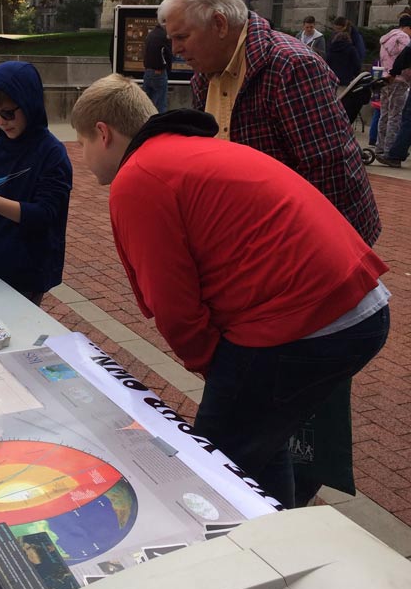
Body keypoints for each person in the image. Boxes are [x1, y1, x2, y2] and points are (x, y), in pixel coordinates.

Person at [70, 74, 390, 509]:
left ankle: (241, 557)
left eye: (83, 142)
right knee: (259, 437)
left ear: (103, 133)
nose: (83, 157)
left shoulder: (140, 177)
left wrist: (212, 368)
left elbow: (174, 304)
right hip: (354, 304)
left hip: (306, 322)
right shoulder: (193, 149)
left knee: (212, 474)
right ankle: (275, 531)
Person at [158, 0, 380, 248]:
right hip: (258, 237)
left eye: (181, 36)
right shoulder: (205, 72)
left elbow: (329, 171)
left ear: (220, 24)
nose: (175, 49)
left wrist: (312, 254)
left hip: (313, 246)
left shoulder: (291, 66)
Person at [0, 62, 72, 305]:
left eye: (8, 113)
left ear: (29, 103)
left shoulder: (52, 153)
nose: (1, 121)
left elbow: (44, 214)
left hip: (27, 267)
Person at [376, 15, 411, 160]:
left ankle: (379, 146)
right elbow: (406, 59)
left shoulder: (386, 39)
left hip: (385, 78)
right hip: (399, 79)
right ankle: (390, 149)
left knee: (384, 114)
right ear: (408, 28)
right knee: (395, 115)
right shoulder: (403, 38)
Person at [325, 31, 366, 125]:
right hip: (346, 82)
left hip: (332, 81)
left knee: (332, 104)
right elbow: (357, 65)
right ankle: (341, 124)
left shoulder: (331, 49)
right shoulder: (351, 49)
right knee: (343, 105)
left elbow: (326, 64)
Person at [141, 23, 172, 113]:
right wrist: (167, 69)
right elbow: (168, 55)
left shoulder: (151, 34)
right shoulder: (164, 36)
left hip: (147, 71)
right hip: (159, 71)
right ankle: (160, 125)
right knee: (160, 104)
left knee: (147, 103)